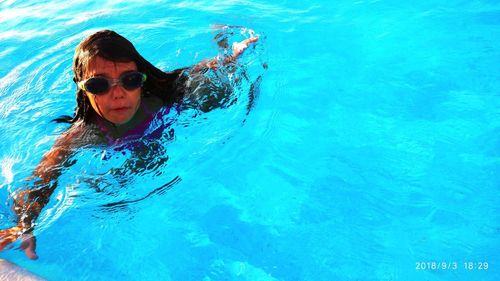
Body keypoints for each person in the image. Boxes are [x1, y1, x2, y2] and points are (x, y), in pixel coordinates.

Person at [0, 29, 258, 259]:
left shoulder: (161, 97)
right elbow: (42, 177)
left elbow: (199, 73)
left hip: (166, 126)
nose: (118, 92)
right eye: (99, 84)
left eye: (130, 80)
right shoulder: (84, 135)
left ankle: (224, 41)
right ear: (83, 89)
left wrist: (232, 57)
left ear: (142, 79)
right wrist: (25, 223)